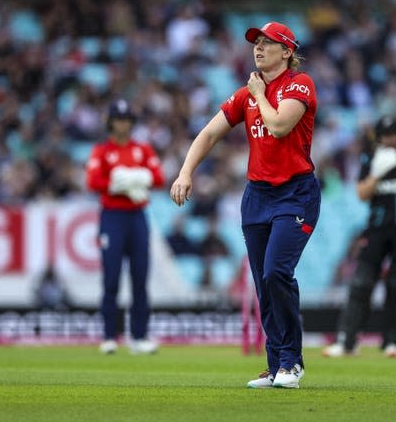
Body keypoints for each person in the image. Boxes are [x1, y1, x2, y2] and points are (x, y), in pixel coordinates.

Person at [170, 21, 320, 389]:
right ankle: (276, 367)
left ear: (287, 52)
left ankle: (292, 363)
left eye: (269, 43)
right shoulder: (245, 94)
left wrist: (259, 94)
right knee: (262, 284)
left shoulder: (300, 84)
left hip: (295, 193)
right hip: (257, 196)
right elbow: (208, 133)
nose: (258, 48)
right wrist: (185, 172)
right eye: (256, 43)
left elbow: (280, 126)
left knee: (275, 274)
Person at [322, 116, 396, 358]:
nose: (389, 140)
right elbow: (361, 194)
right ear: (378, 138)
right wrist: (377, 173)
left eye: (392, 135)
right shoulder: (370, 159)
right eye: (384, 136)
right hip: (377, 228)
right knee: (361, 283)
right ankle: (347, 341)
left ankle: (393, 342)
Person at [86, 98, 165, 355]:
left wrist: (128, 178)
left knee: (140, 278)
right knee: (111, 277)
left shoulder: (142, 149)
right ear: (111, 122)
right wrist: (127, 181)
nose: (123, 124)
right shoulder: (101, 151)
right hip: (112, 216)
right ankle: (110, 336)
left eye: (126, 119)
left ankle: (139, 337)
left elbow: (158, 178)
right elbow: (93, 181)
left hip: (137, 217)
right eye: (118, 119)